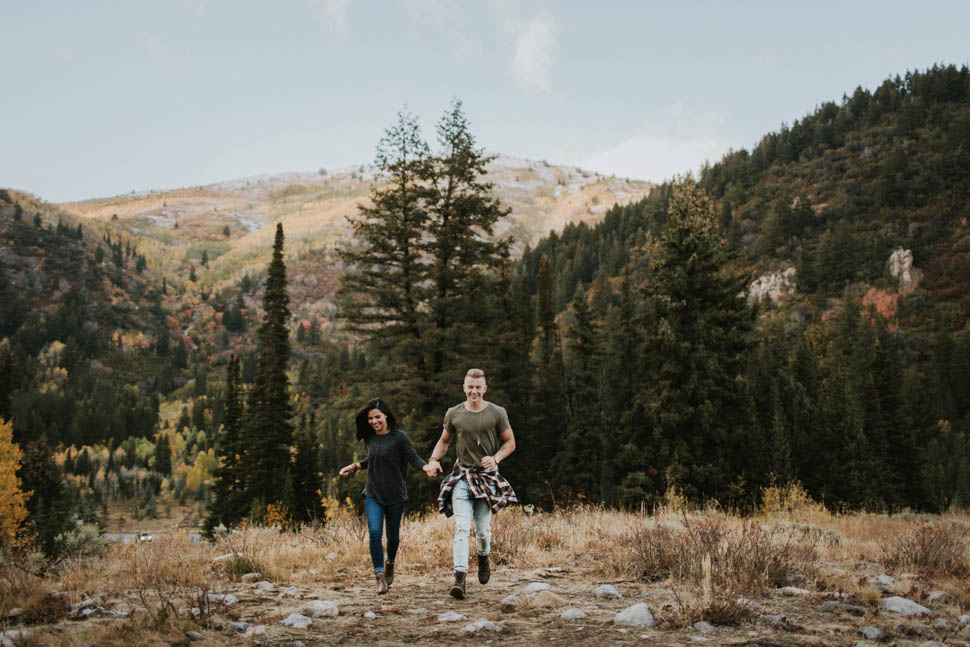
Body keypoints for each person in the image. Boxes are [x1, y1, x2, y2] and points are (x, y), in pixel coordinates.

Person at [424, 368, 517, 599]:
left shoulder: (497, 412)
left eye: (478, 387)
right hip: (462, 477)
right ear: (464, 388)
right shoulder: (454, 413)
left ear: (484, 389)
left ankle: (483, 558)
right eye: (470, 387)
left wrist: (496, 458)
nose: (474, 391)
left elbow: (510, 442)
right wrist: (433, 460)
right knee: (462, 528)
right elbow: (444, 441)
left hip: (487, 478)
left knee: (483, 531)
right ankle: (460, 578)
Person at [339, 398, 426, 595]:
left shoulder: (399, 437)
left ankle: (390, 563)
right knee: (375, 532)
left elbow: (413, 458)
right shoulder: (369, 438)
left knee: (393, 537)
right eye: (370, 418)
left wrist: (426, 466)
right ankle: (379, 576)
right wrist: (354, 466)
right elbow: (373, 458)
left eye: (377, 417)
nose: (374, 421)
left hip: (396, 495)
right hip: (373, 493)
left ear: (386, 415)